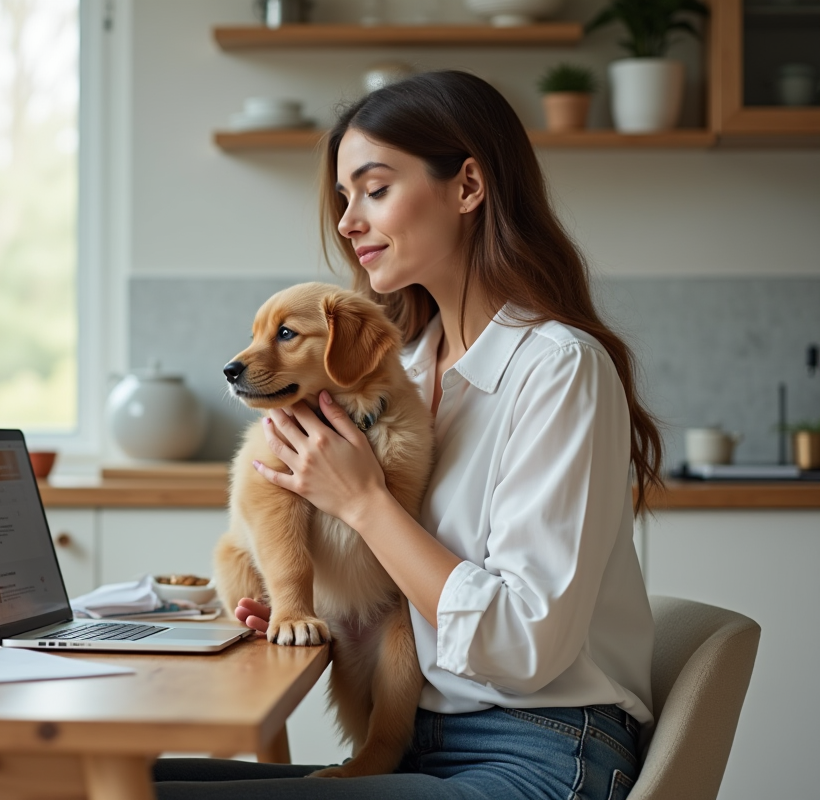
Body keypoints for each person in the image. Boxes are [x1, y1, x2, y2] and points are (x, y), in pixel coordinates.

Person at [154, 70, 661, 800]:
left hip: (536, 752)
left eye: (375, 188)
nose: (347, 221)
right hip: (409, 738)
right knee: (100, 783)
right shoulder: (404, 373)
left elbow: (523, 647)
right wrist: (307, 599)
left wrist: (364, 503)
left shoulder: (556, 369)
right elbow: (397, 588)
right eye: (344, 197)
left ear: (467, 187)